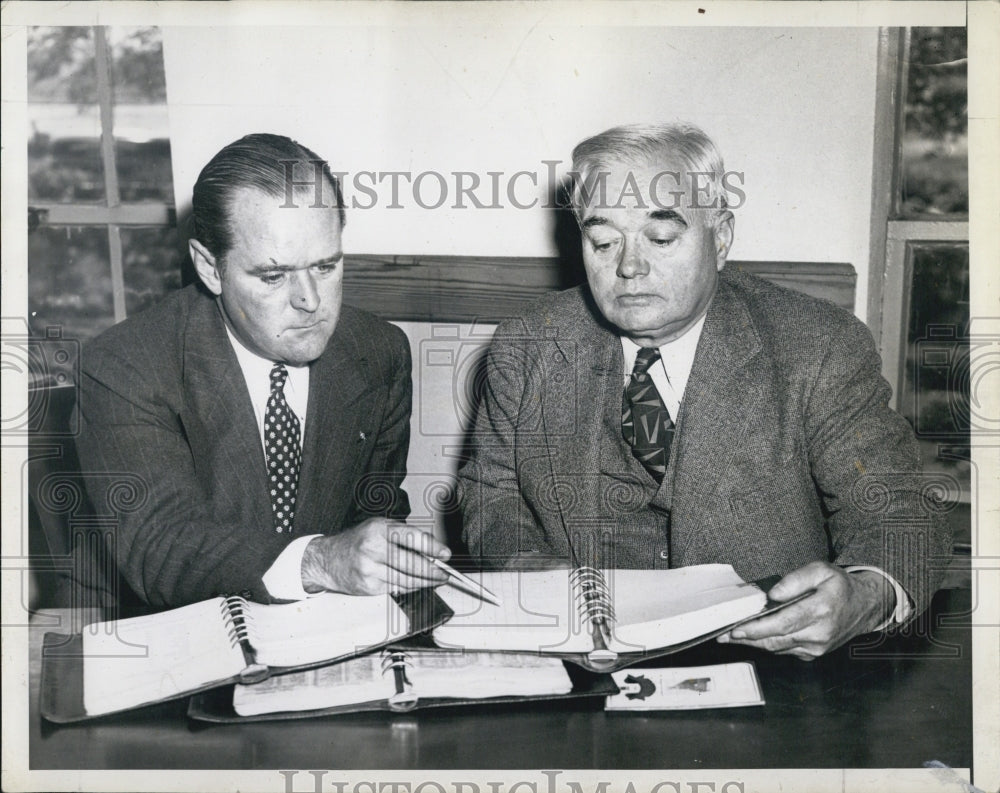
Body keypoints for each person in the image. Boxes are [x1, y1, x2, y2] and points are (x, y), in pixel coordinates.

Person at [459, 122, 952, 660]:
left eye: (662, 238)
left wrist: (868, 592)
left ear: (720, 238)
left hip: (766, 664)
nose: (628, 266)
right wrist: (527, 570)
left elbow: (899, 509)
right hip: (579, 660)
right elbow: (489, 493)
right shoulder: (528, 345)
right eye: (602, 241)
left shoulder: (817, 345)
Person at [77, 133, 450, 608]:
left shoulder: (380, 353)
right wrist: (319, 561)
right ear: (210, 268)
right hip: (166, 637)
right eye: (273, 276)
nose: (310, 302)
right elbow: (162, 550)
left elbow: (375, 511)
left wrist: (389, 556)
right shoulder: (125, 365)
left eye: (326, 266)